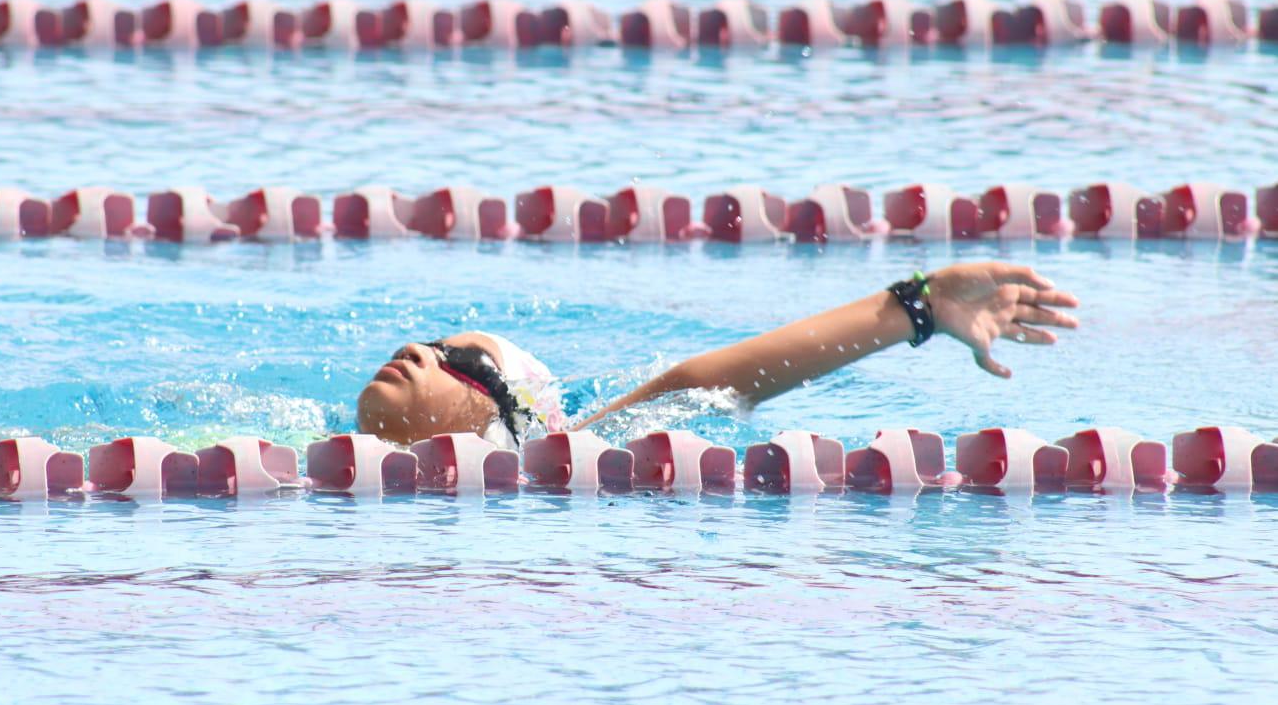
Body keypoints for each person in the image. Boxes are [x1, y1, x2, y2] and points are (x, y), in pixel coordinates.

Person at [355, 261, 1080, 449]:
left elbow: (702, 382)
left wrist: (915, 307)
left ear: (513, 419)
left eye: (464, 361)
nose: (416, 351)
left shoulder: (541, 463)